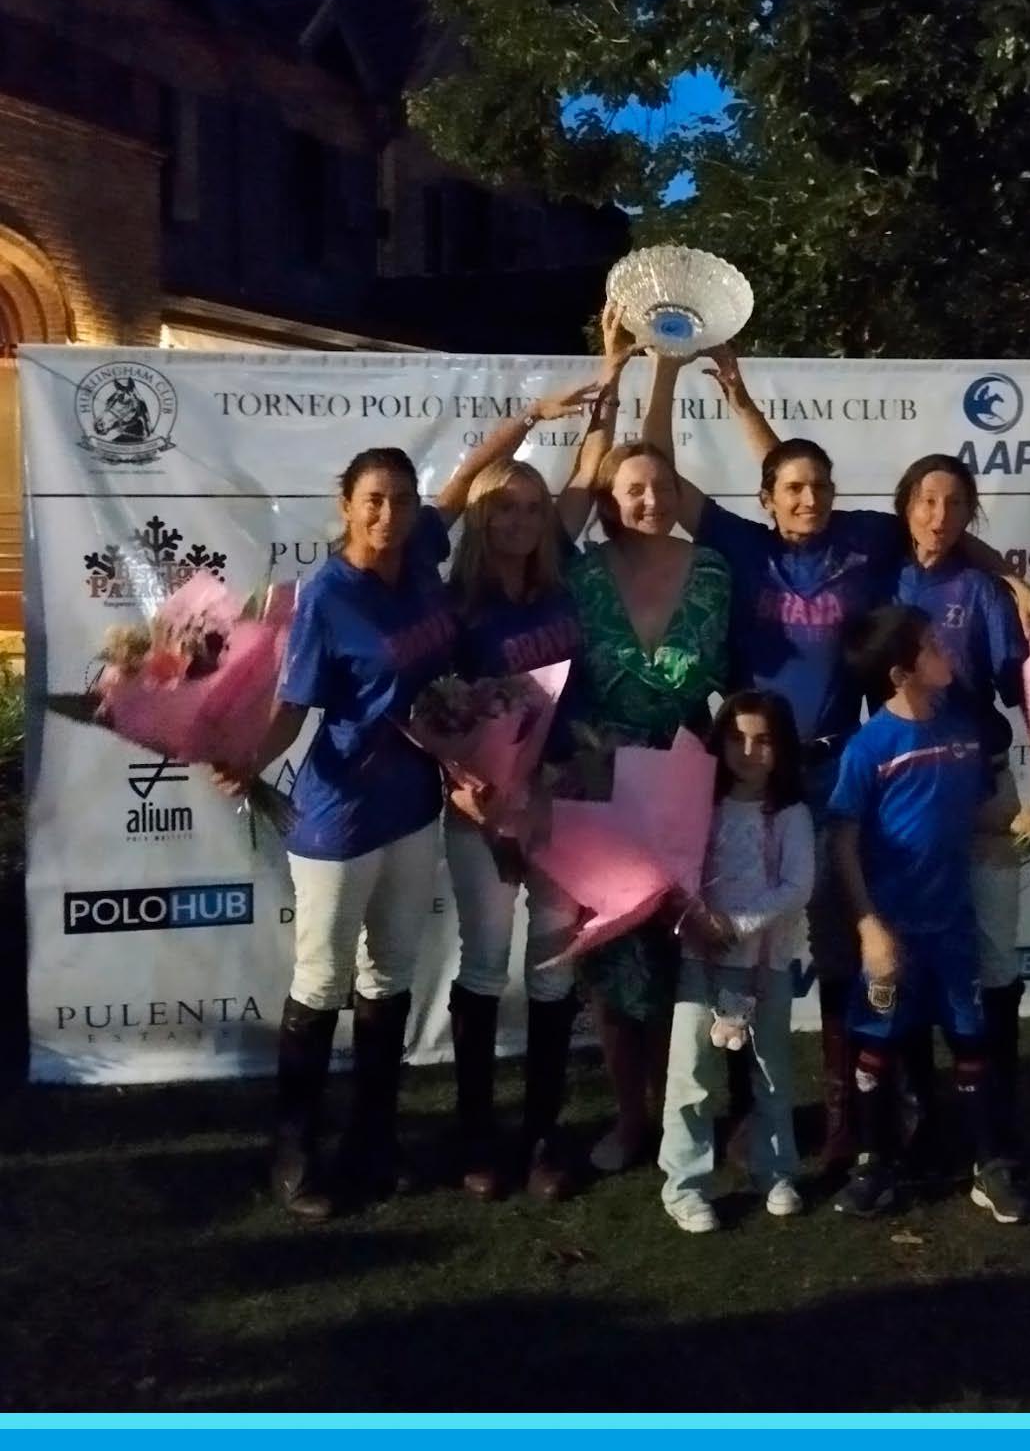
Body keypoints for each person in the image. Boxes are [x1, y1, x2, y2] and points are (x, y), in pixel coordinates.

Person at [643, 349, 1030, 1174]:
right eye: (793, 490)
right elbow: (659, 473)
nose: (809, 499)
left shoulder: (865, 541)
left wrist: (1014, 582)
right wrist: (668, 373)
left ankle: (853, 1116)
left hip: (838, 771)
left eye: (821, 487)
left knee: (848, 946)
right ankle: (752, 1110)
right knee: (738, 942)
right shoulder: (741, 544)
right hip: (755, 773)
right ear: (767, 499)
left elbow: (943, 529)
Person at [214, 379, 596, 1224]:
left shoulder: (422, 554)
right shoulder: (327, 597)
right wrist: (248, 760)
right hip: (339, 814)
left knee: (387, 976)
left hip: (416, 807)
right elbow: (293, 708)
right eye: (373, 502)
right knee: (322, 980)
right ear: (347, 508)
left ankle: (374, 1140)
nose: (388, 515)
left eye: (399, 500)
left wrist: (530, 419)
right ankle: (294, 1153)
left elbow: (464, 481)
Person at [443, 308, 635, 1203]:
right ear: (484, 519)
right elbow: (441, 712)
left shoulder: (558, 563)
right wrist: (468, 786)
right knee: (485, 965)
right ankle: (479, 1138)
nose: (521, 520)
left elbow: (591, 471)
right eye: (505, 509)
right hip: (481, 809)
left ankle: (545, 1135)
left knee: (553, 972)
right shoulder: (458, 603)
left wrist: (610, 373)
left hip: (562, 799)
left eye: (531, 507)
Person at [826, 605, 1030, 1224]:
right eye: (932, 645)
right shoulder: (869, 748)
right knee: (876, 1046)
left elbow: (977, 817)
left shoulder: (963, 732)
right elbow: (843, 842)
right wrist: (869, 927)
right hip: (893, 934)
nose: (946, 648)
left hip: (954, 932)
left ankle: (989, 1164)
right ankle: (875, 1165)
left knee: (972, 1039)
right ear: (900, 674)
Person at [569, 439, 732, 1174]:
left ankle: (683, 1115)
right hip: (602, 787)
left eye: (663, 487)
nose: (651, 501)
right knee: (613, 959)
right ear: (609, 500)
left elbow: (736, 672)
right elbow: (559, 678)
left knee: (683, 955)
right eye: (634, 489)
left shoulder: (714, 572)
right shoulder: (579, 575)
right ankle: (630, 1116)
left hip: (690, 781)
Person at [893, 453, 1030, 1166]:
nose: (939, 516)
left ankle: (998, 1114)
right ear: (905, 506)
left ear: (970, 513)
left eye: (955, 503)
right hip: (905, 797)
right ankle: (921, 1110)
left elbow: (1024, 691)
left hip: (982, 793)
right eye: (927, 500)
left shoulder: (981, 591)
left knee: (994, 961)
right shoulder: (881, 577)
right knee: (913, 954)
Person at [658, 691, 815, 1233]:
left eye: (763, 740)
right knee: (691, 1076)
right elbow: (675, 870)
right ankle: (685, 1186)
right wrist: (697, 921)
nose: (748, 752)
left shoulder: (790, 814)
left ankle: (775, 1172)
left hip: (766, 965)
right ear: (719, 742)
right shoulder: (701, 805)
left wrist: (736, 924)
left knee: (771, 1073)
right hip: (701, 960)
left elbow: (797, 887)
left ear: (782, 747)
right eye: (737, 739)